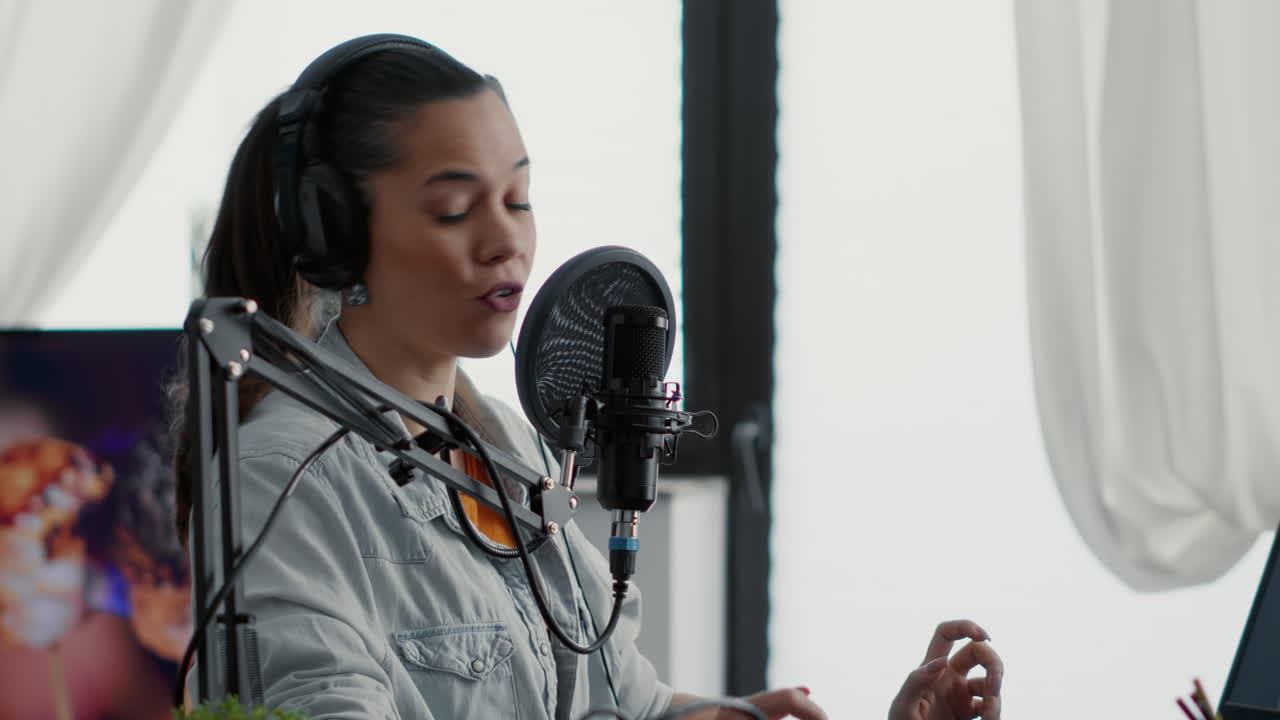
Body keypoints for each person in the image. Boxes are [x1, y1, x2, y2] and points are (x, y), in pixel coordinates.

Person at [172, 34, 1002, 720]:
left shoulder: (506, 451)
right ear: (333, 233)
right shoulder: (285, 477)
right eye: (455, 209)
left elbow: (625, 704)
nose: (507, 242)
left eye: (519, 199)